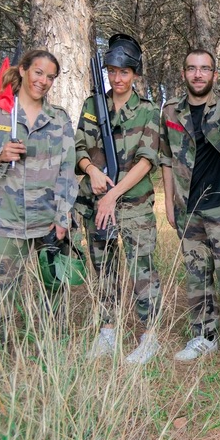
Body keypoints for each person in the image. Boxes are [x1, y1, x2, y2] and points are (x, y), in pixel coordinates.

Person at [0, 49, 76, 368]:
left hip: (50, 224)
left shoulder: (59, 119)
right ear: (24, 70)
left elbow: (67, 170)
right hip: (7, 222)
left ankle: (53, 355)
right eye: (38, 72)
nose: (44, 81)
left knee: (54, 291)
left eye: (50, 77)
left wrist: (63, 216)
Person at [159, 49, 220, 364]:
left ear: (214, 74)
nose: (198, 75)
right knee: (197, 277)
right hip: (189, 208)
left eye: (205, 69)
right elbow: (166, 158)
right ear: (183, 73)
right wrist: (171, 202)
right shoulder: (171, 111)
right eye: (192, 69)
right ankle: (203, 337)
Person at [75, 34, 163, 364]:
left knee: (143, 269)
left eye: (124, 72)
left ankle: (149, 336)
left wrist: (113, 194)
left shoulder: (147, 111)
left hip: (133, 205)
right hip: (96, 203)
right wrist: (91, 171)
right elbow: (79, 147)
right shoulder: (92, 105)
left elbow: (146, 160)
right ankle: (107, 331)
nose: (117, 78)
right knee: (103, 269)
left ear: (135, 74)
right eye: (111, 71)